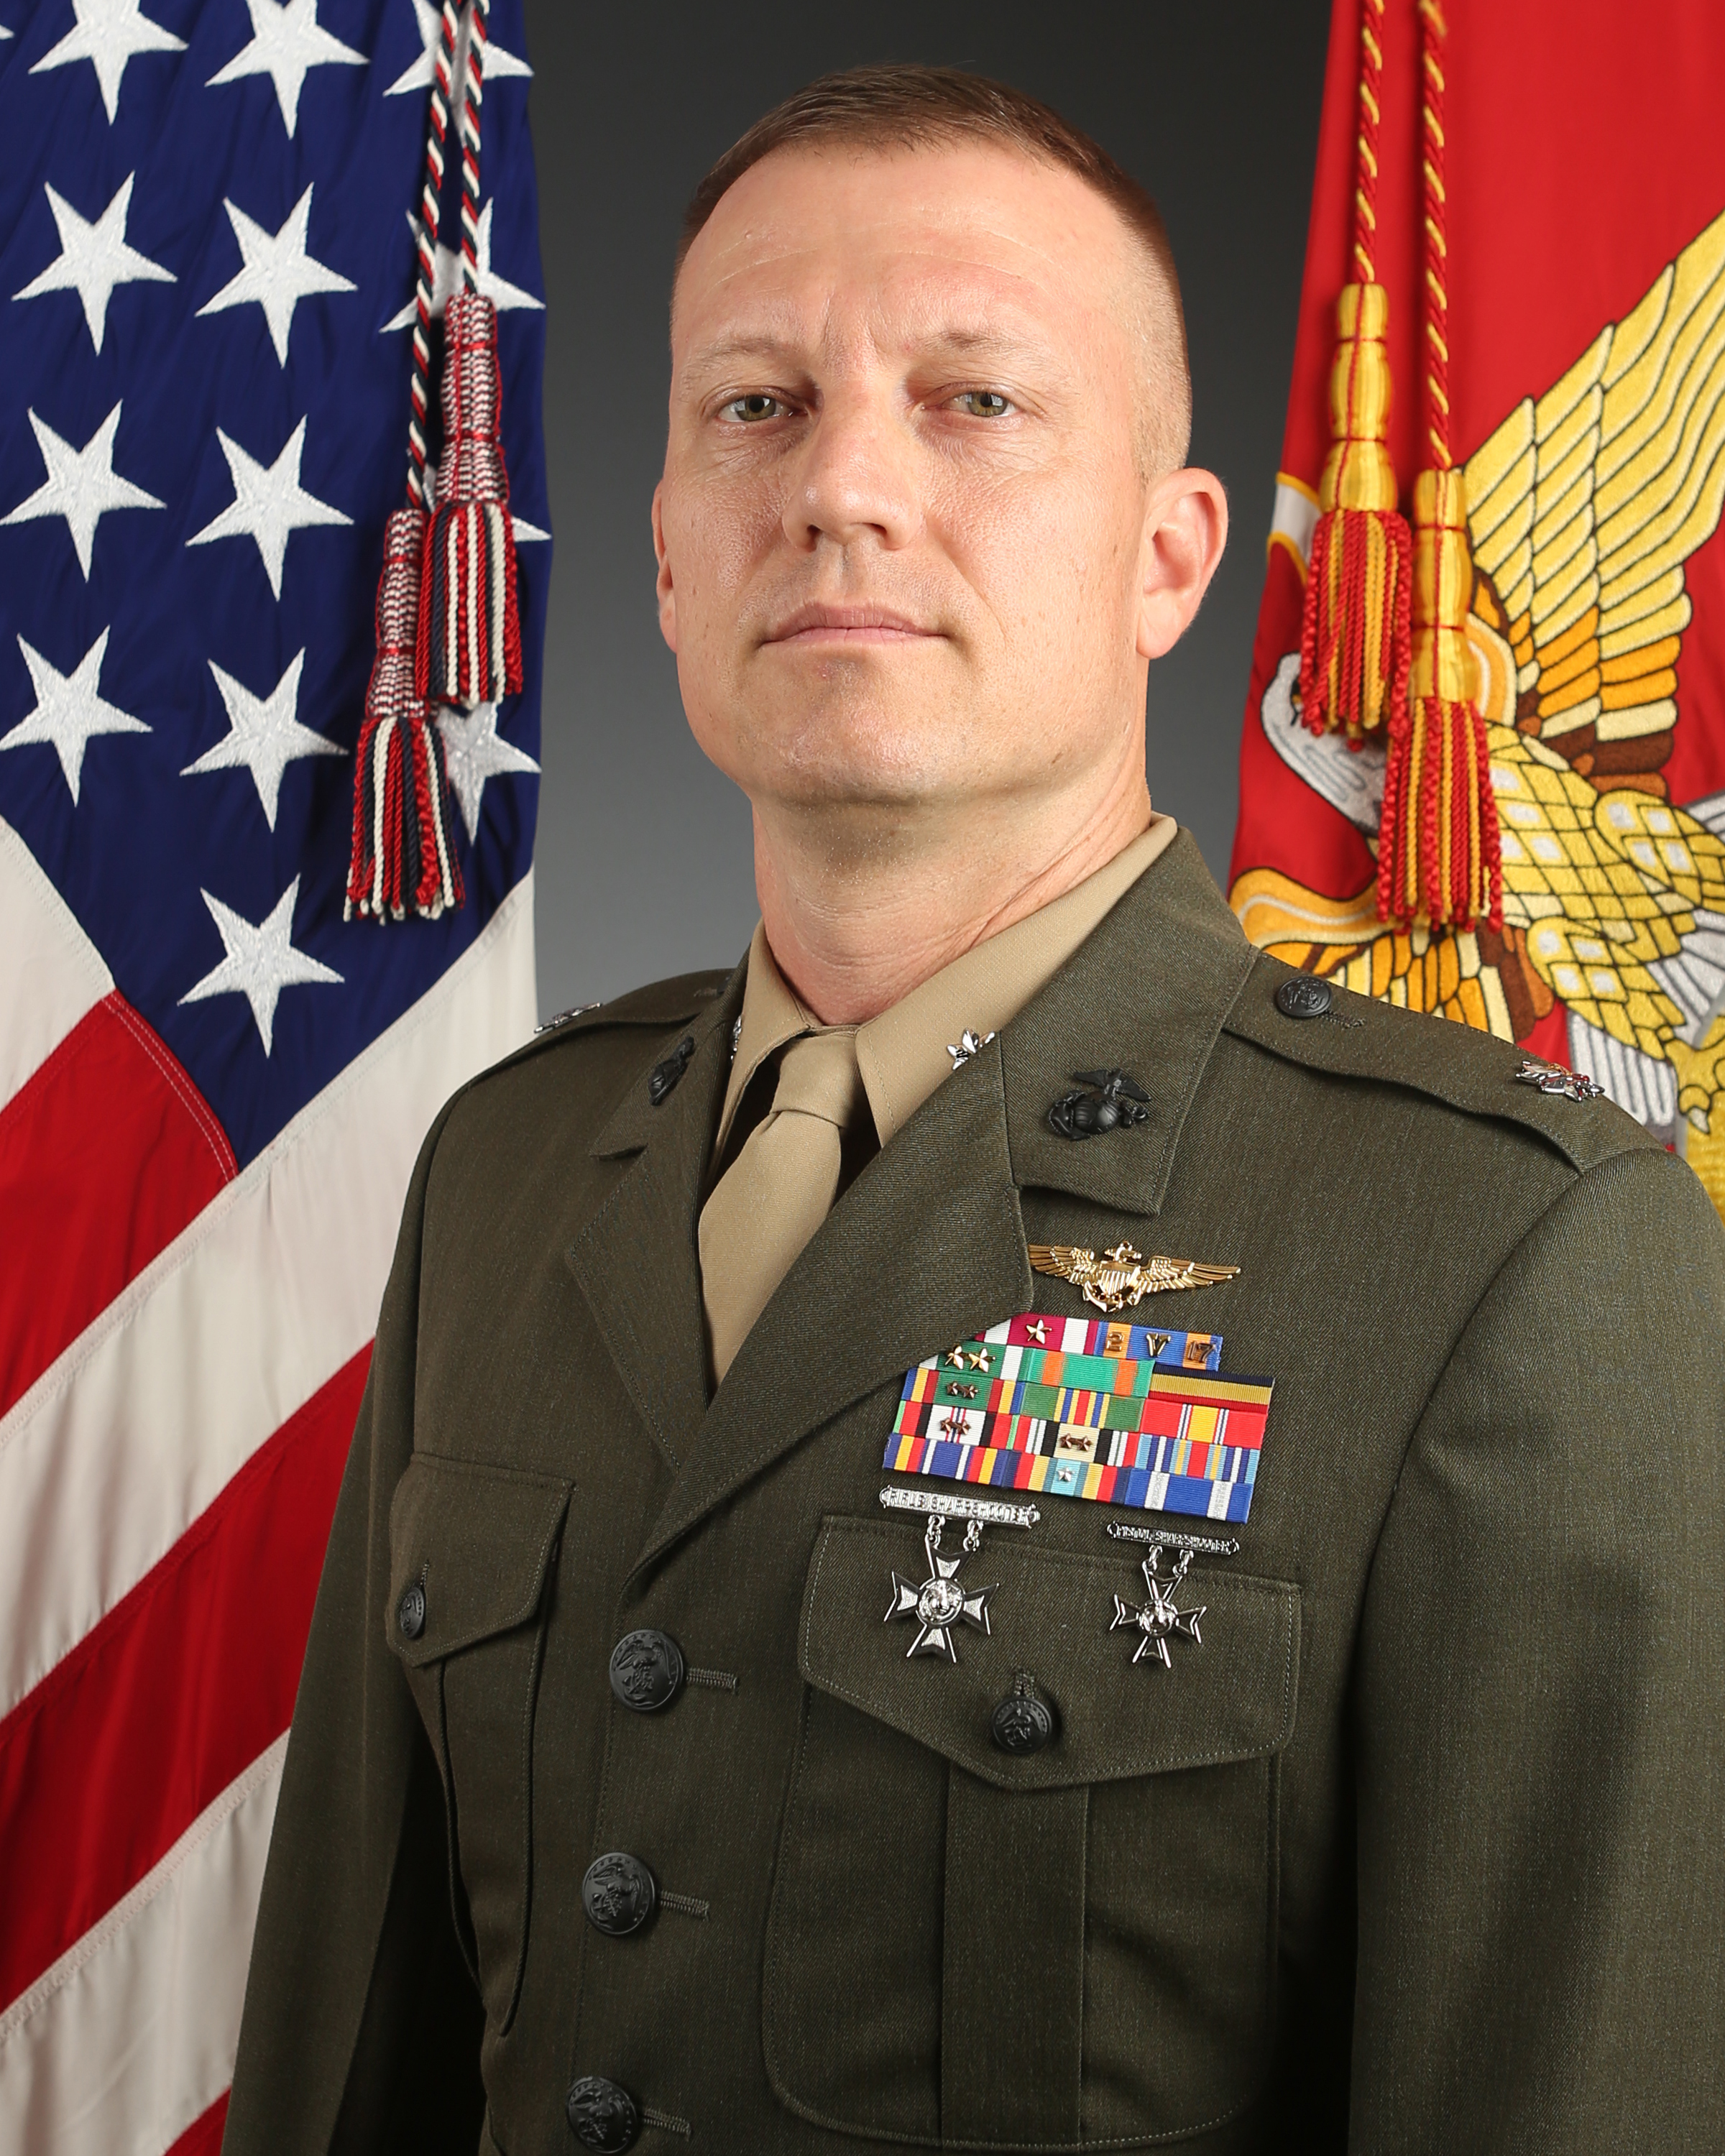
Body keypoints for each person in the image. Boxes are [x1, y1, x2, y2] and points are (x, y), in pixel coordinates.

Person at [224, 64, 1725, 2156]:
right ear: (665, 559)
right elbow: (348, 2065)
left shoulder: (1508, 1251)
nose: (841, 486)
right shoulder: (509, 1169)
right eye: (756, 404)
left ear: (1169, 560)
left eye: (976, 400)